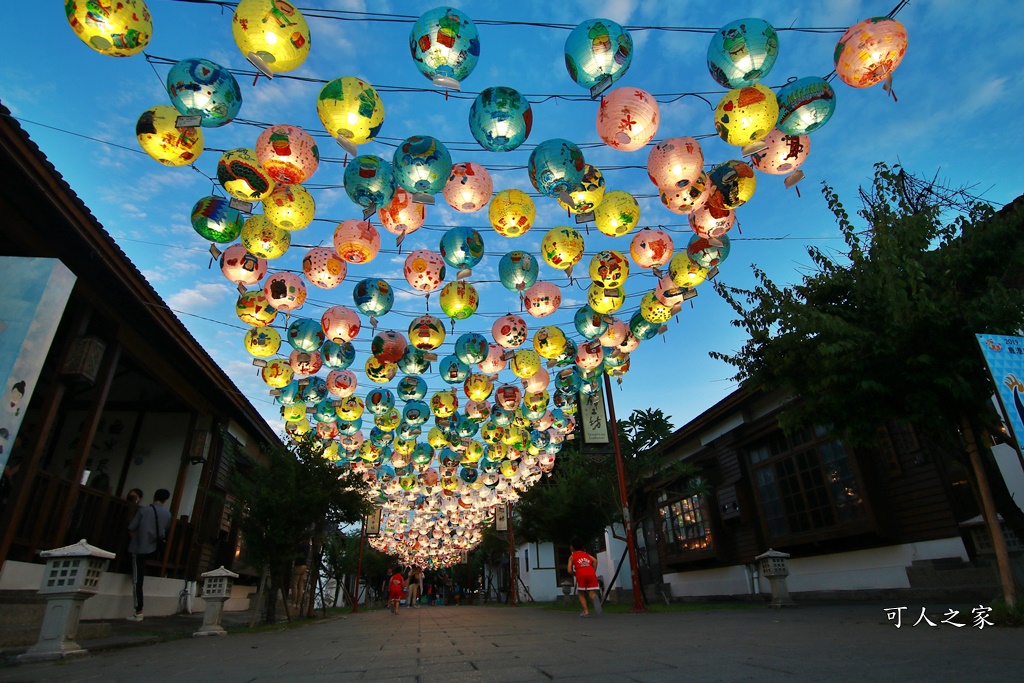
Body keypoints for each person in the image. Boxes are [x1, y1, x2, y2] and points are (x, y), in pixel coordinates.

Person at [126, 488, 172, 621]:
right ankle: (138, 611)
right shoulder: (167, 514)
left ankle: (138, 611)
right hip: (153, 549)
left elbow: (131, 528)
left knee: (137, 579)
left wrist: (135, 540)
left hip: (139, 548)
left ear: (154, 496)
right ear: (165, 500)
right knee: (139, 576)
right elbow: (164, 531)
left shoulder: (144, 511)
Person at [568, 537, 602, 617]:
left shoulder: (572, 556)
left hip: (581, 575)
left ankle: (586, 612)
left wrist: (574, 574)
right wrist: (593, 571)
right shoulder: (587, 555)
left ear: (572, 547)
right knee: (592, 592)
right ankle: (594, 597)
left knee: (581, 593)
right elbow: (595, 561)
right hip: (591, 574)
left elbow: (569, 570)